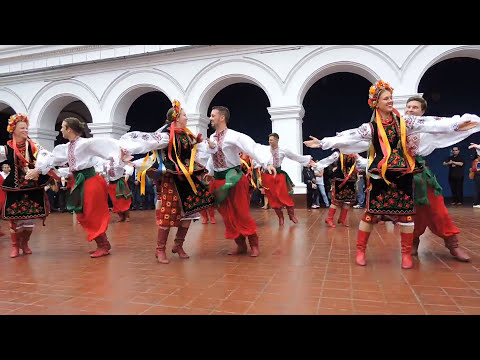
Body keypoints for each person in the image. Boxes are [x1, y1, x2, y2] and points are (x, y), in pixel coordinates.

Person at [304, 79, 478, 269]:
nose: (392, 102)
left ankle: (423, 251)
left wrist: (459, 124)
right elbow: (352, 135)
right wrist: (324, 142)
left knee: (418, 214)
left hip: (408, 173)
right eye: (386, 98)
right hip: (382, 176)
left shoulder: (406, 122)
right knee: (372, 215)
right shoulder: (372, 127)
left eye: (391, 98)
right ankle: (367, 250)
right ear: (376, 103)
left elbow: (435, 124)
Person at [119, 100, 216, 264]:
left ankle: (178, 245)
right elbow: (147, 142)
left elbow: (201, 149)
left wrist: (210, 146)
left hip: (189, 177)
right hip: (172, 178)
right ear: (176, 117)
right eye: (184, 115)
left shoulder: (188, 136)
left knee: (190, 211)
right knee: (168, 213)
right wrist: (128, 154)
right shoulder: (166, 136)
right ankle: (160, 249)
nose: (186, 118)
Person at [26, 117, 129, 258]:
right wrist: (38, 169)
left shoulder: (85, 144)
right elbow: (53, 159)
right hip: (79, 182)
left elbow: (106, 145)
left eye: (63, 126)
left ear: (70, 129)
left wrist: (121, 154)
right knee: (82, 214)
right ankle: (102, 243)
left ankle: (103, 245)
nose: (61, 129)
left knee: (92, 213)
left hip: (90, 181)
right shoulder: (66, 148)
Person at [403, 96, 470, 262]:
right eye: (409, 107)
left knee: (439, 210)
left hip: (422, 176)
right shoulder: (398, 127)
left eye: (415, 108)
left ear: (422, 112)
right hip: (403, 177)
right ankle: (413, 242)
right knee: (411, 213)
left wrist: (462, 123)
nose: (410, 110)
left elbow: (446, 127)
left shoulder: (429, 128)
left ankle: (453, 244)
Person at [204, 106, 276, 257]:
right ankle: (240, 244)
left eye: (213, 115)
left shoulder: (234, 136)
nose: (210, 118)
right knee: (227, 216)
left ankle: (254, 243)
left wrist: (266, 163)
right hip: (219, 181)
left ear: (222, 117)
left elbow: (252, 147)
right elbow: (213, 157)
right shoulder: (211, 138)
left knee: (241, 212)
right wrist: (210, 172)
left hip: (234, 178)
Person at [0, 114, 53, 258]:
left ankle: (25, 243)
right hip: (16, 188)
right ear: (14, 130)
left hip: (33, 187)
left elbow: (48, 158)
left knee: (30, 220)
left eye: (26, 128)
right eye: (22, 128)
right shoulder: (7, 148)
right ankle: (15, 246)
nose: (25, 130)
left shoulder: (35, 146)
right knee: (14, 219)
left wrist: (38, 169)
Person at [260, 133, 314, 225]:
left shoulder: (283, 150)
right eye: (269, 140)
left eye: (271, 140)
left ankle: (291, 215)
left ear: (277, 140)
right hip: (268, 176)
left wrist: (307, 160)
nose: (269, 141)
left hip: (279, 176)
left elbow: (295, 156)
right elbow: (258, 159)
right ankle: (280, 218)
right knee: (273, 198)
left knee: (285, 196)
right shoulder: (265, 150)